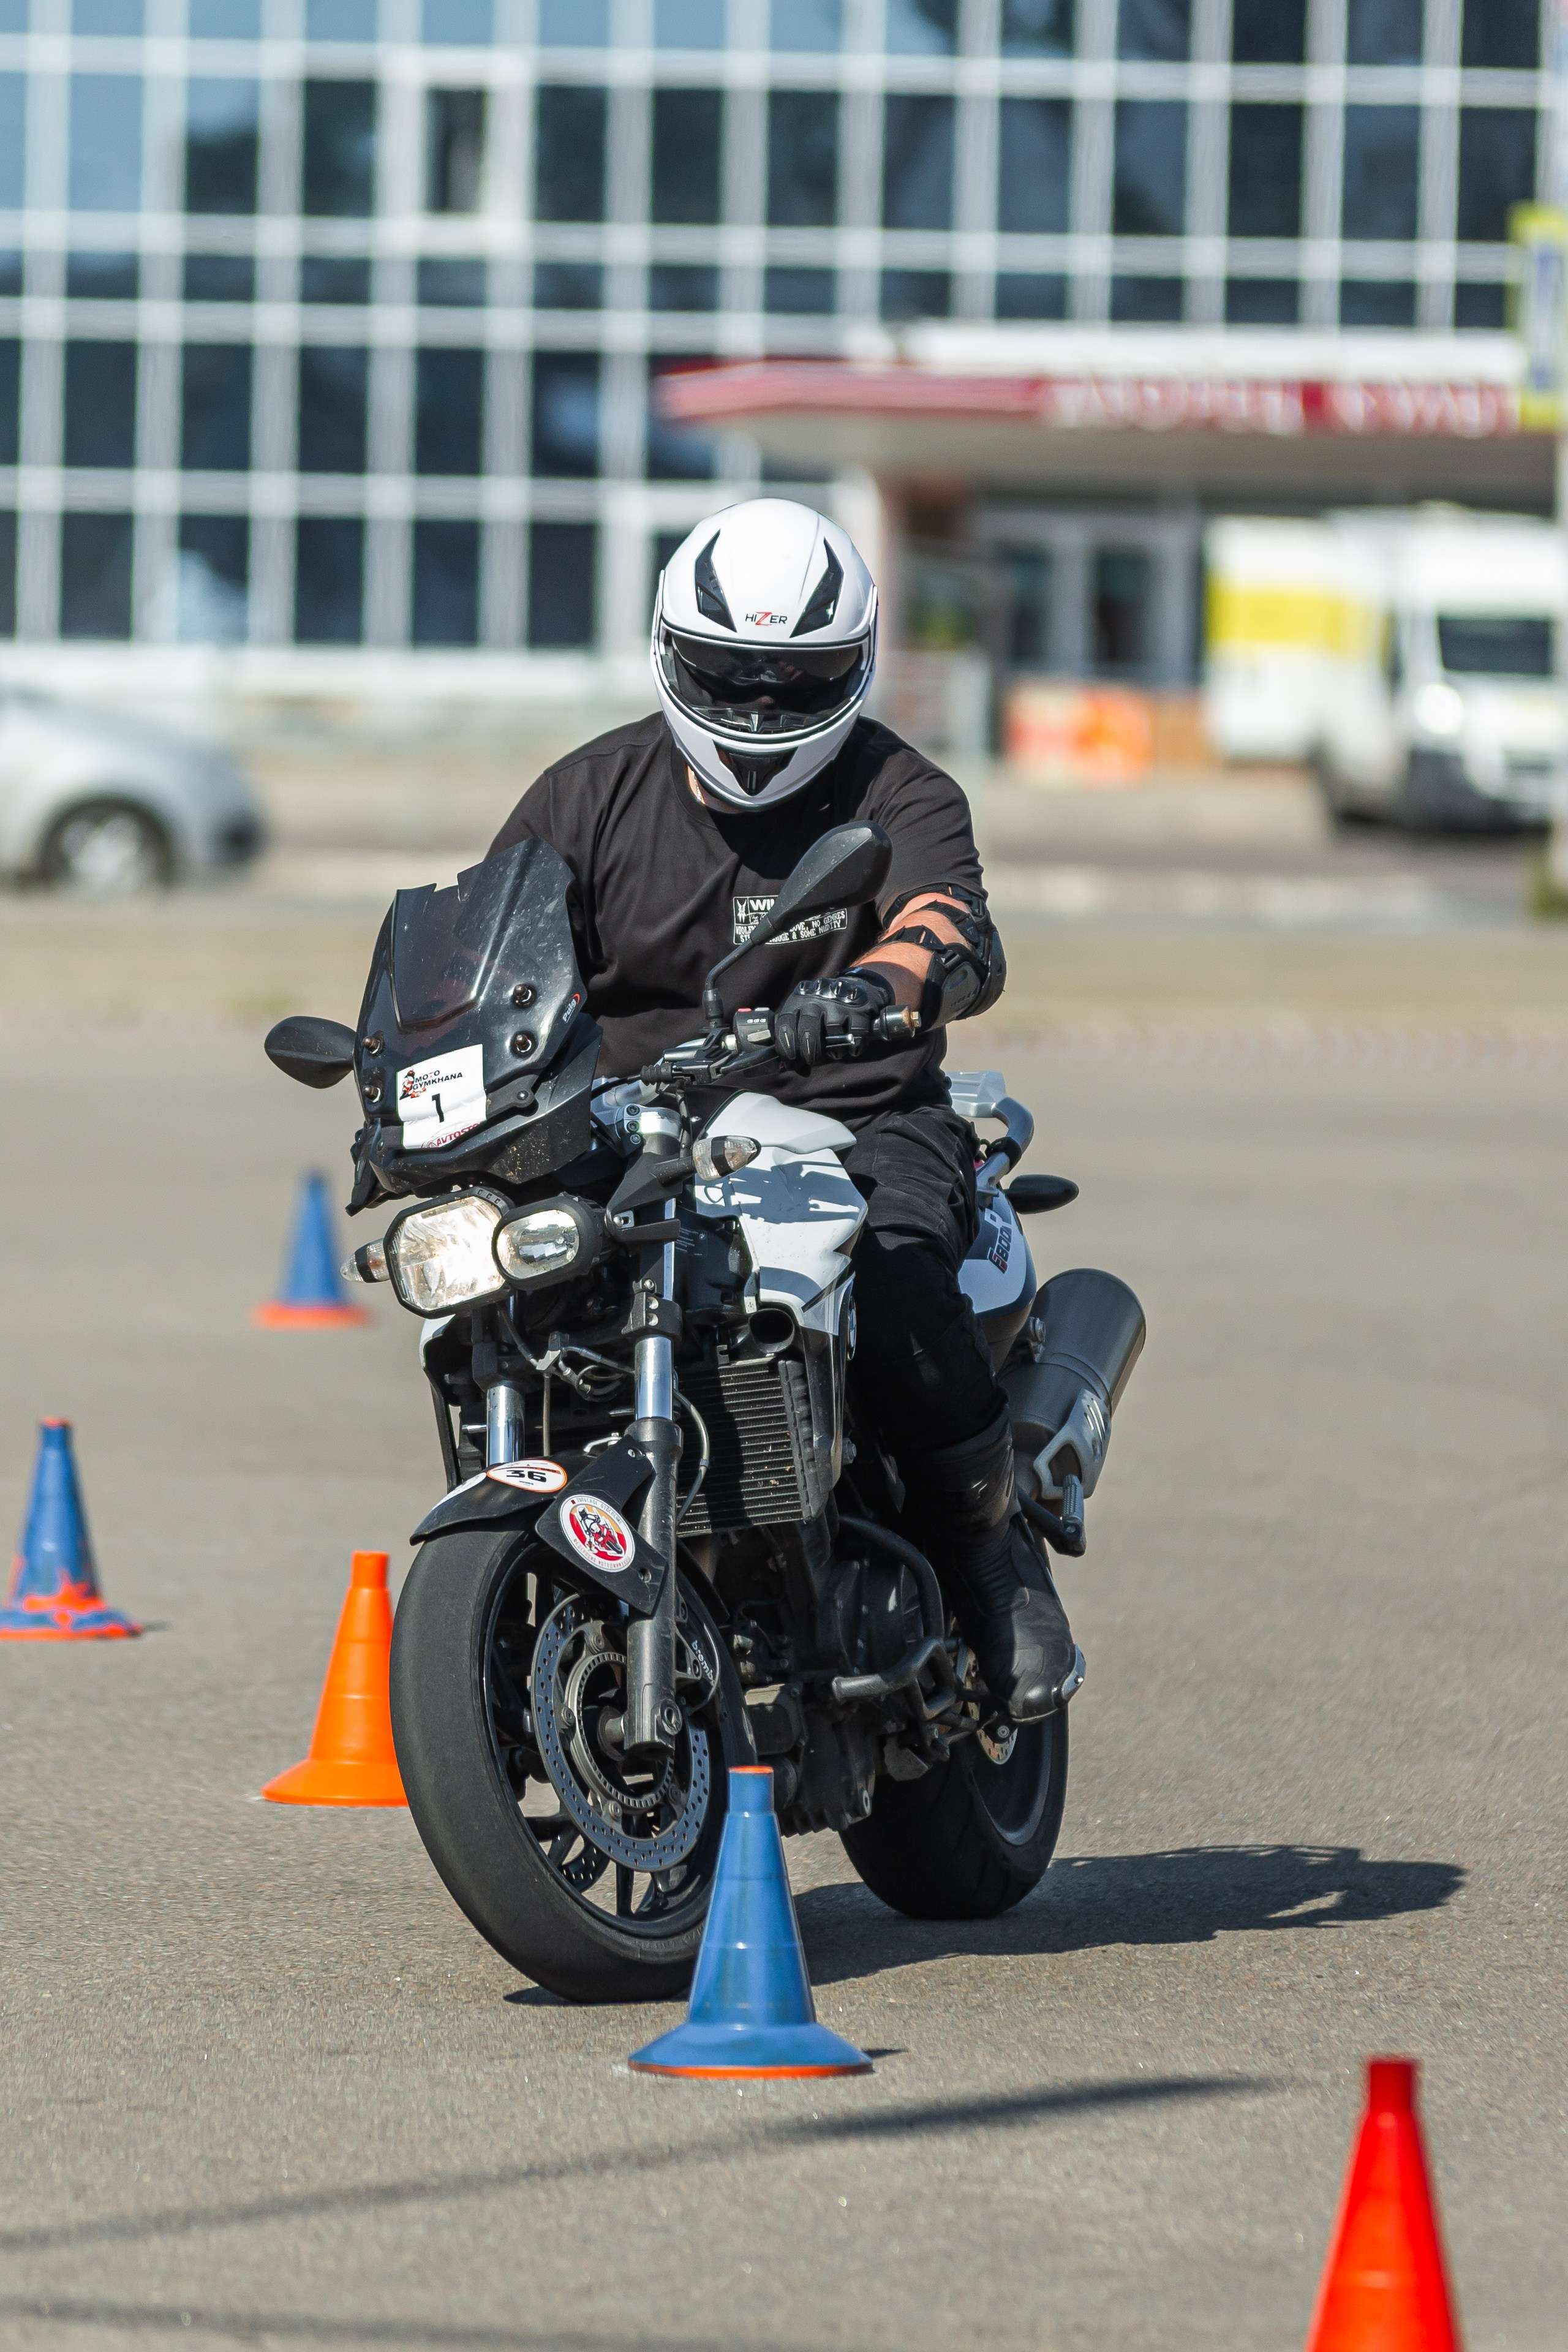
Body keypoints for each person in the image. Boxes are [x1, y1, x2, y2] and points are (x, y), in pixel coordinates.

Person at [490, 497, 1077, 1720]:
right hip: (635, 1130)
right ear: (669, 653)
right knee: (505, 1293)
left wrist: (876, 986)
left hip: (857, 1117)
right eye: (724, 677)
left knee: (908, 1293)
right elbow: (494, 957)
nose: (755, 715)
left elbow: (945, 927)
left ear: (854, 668)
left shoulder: (900, 790)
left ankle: (993, 1561)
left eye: (793, 683)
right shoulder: (584, 796)